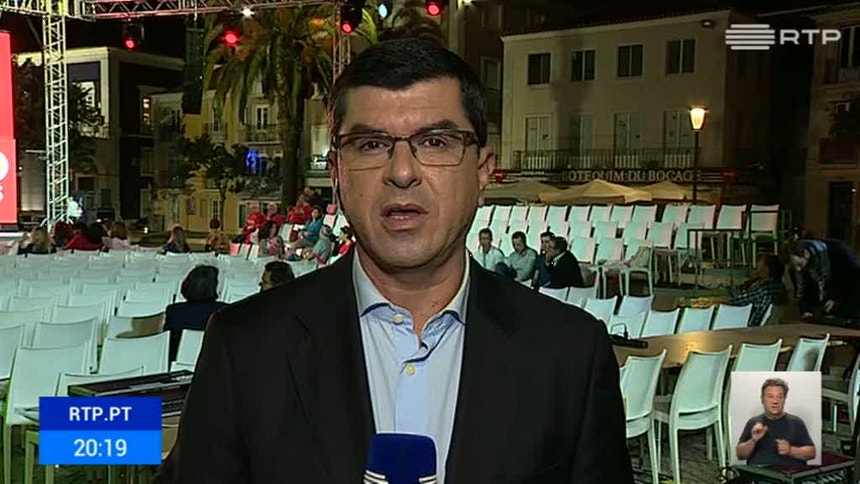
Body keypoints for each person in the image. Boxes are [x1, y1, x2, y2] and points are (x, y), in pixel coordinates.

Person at [163, 38, 631, 483]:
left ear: (483, 171)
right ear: (336, 174)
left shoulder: (570, 353)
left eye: (436, 142)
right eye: (370, 144)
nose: (402, 172)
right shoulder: (244, 347)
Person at [736, 378, 816, 466]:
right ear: (762, 399)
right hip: (759, 472)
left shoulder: (796, 422)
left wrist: (790, 450)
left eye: (780, 397)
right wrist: (753, 440)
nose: (775, 401)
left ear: (784, 399)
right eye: (770, 396)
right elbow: (740, 455)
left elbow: (812, 453)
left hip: (789, 472)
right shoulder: (753, 422)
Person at [164, 265, 228, 361]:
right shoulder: (225, 311)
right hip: (216, 362)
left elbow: (168, 345)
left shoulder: (174, 311)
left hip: (179, 362)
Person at [789, 239, 860, 321]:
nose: (798, 269)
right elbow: (803, 291)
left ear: (806, 254)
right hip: (824, 308)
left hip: (848, 303)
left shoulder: (839, 252)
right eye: (794, 267)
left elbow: (854, 283)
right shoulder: (800, 267)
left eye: (800, 264)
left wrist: (837, 300)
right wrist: (806, 310)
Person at [729, 254, 787, 326]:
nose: (756, 268)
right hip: (772, 326)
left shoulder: (764, 289)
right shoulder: (781, 287)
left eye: (758, 267)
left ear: (766, 269)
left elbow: (737, 299)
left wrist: (750, 280)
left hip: (753, 326)